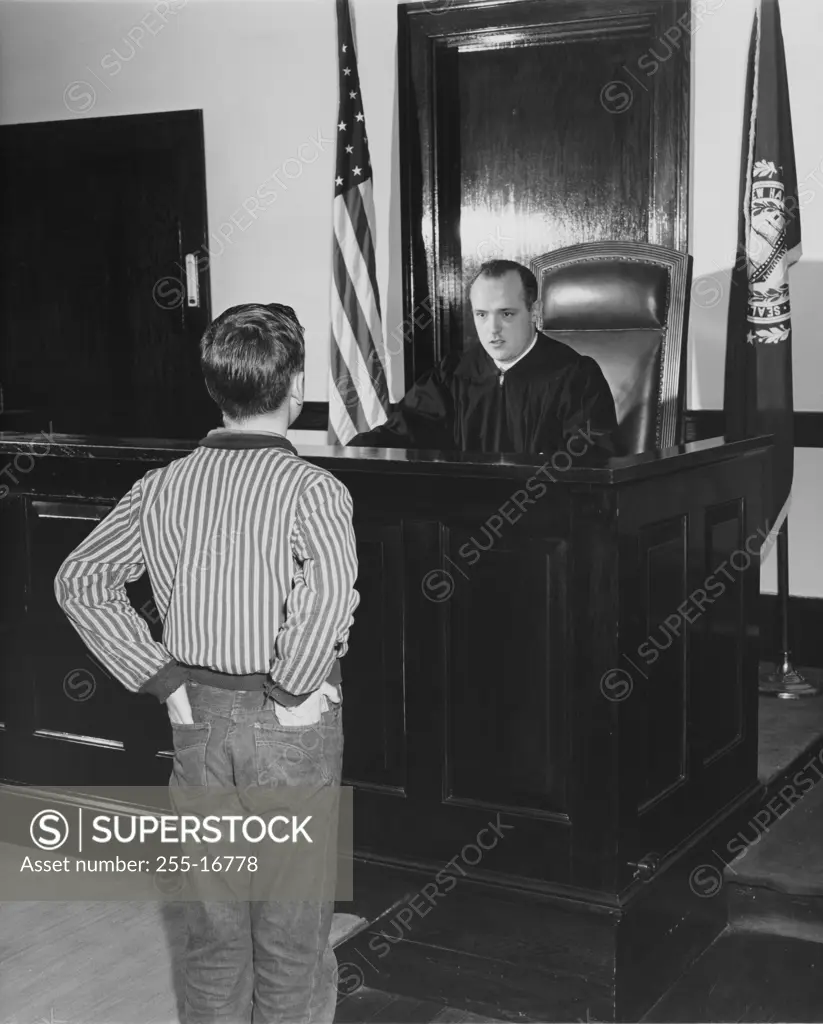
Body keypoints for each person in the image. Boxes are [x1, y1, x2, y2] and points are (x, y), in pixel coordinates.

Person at [54, 302, 359, 1024]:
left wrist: (161, 678)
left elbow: (79, 578)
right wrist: (294, 684)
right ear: (296, 386)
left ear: (215, 388)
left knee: (214, 928)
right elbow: (326, 598)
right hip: (290, 724)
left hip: (196, 718)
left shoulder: (162, 486)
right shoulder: (314, 490)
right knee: (290, 930)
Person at [349, 259, 619, 455]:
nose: (493, 329)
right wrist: (346, 456)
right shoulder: (452, 374)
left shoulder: (575, 376)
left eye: (507, 314)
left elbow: (589, 459)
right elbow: (403, 432)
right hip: (461, 519)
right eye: (482, 314)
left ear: (534, 311)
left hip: (545, 524)